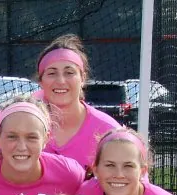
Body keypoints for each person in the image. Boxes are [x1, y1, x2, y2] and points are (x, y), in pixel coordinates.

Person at [36, 34, 120, 169]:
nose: (61, 81)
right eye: (52, 73)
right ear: (41, 81)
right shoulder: (24, 126)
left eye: (69, 73)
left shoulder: (108, 130)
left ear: (83, 78)